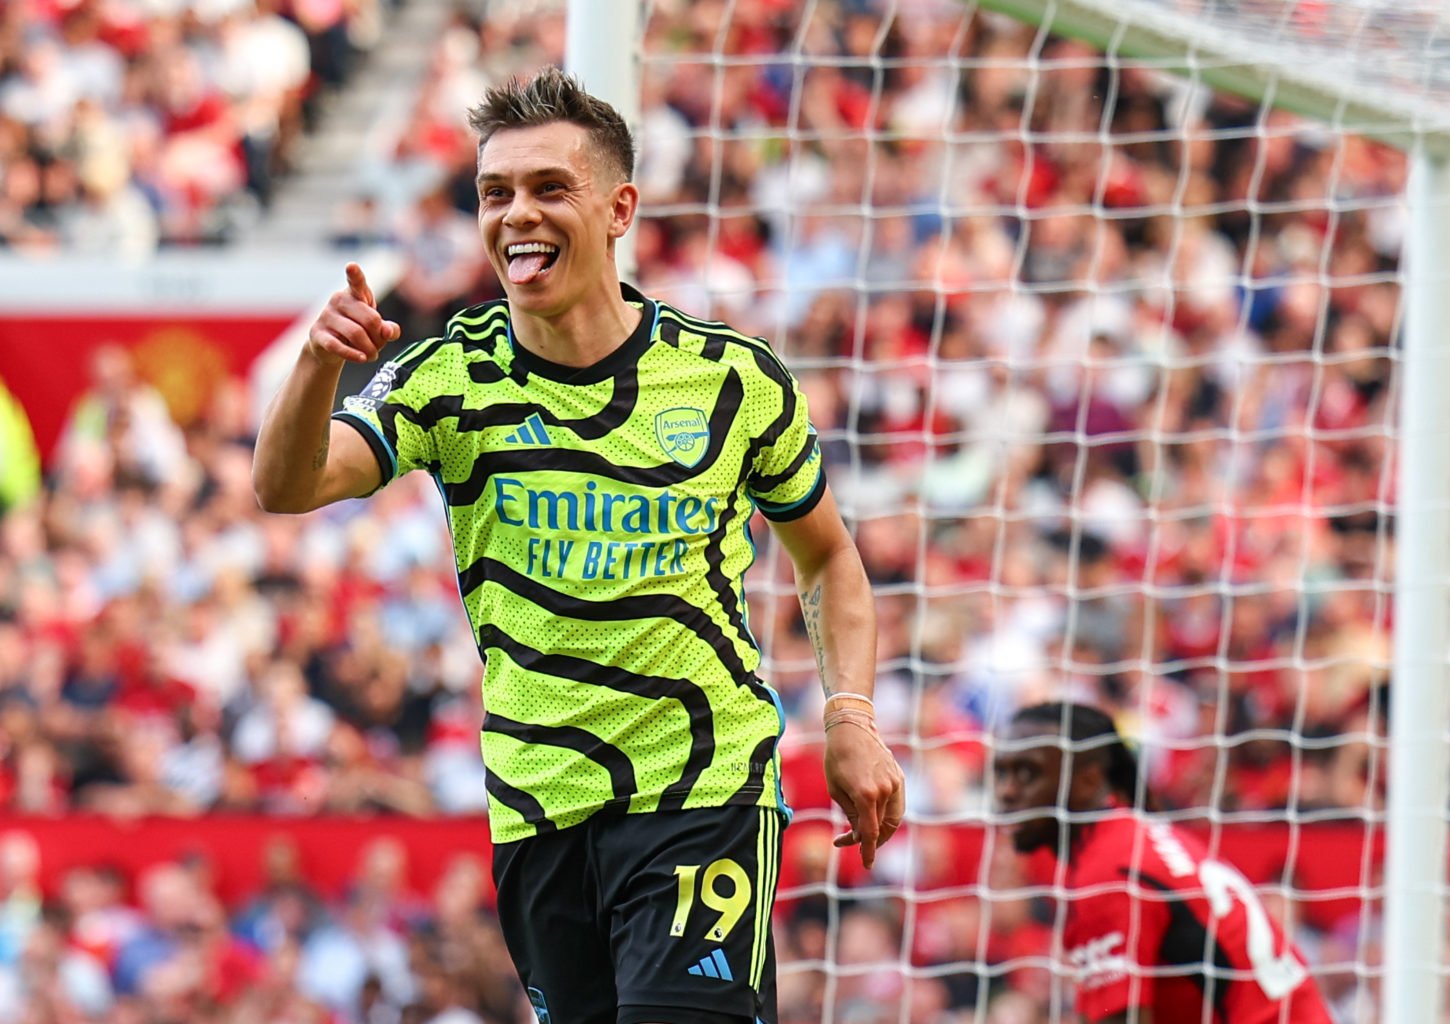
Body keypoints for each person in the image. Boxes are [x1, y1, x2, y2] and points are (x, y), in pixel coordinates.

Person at [251, 65, 905, 1024]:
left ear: (618, 208)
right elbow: (286, 485)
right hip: (536, 807)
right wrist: (317, 366)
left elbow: (828, 557)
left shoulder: (727, 378)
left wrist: (850, 716)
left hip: (703, 790)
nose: (518, 214)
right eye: (496, 193)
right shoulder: (448, 376)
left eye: (550, 188)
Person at [995, 702, 1334, 1023]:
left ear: (1088, 780)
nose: (1006, 792)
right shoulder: (1131, 840)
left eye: (1028, 773)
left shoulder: (1112, 872)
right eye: (1000, 772)